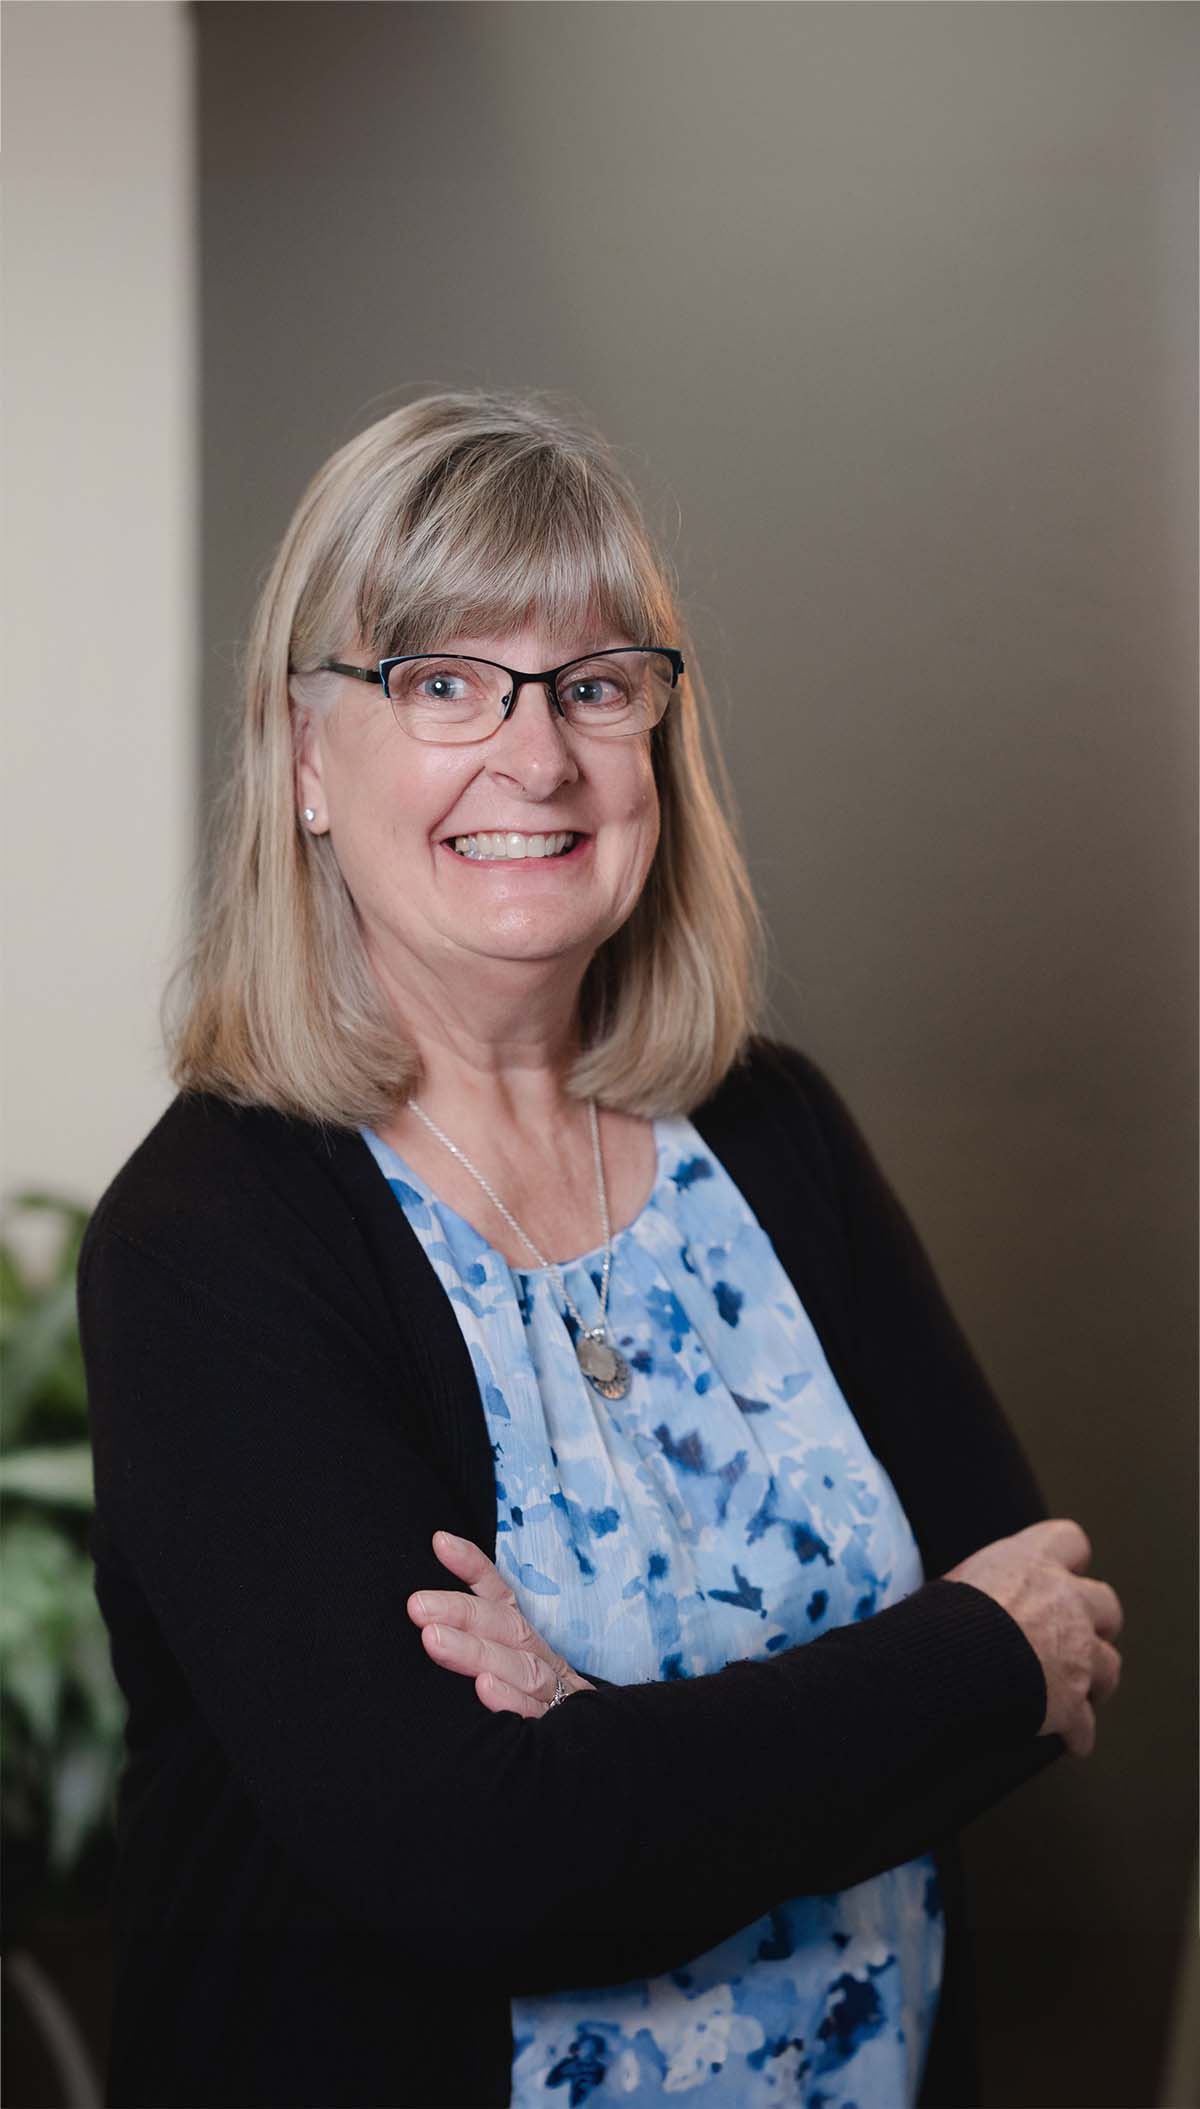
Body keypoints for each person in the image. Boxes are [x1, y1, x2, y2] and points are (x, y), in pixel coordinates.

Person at [79, 387, 1122, 2109]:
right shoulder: (212, 1239)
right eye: (441, 683)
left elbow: (1053, 1631)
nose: (537, 754)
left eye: (592, 684)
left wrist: (604, 1734)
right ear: (306, 760)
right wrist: (949, 1663)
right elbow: (475, 1859)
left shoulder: (771, 1127)